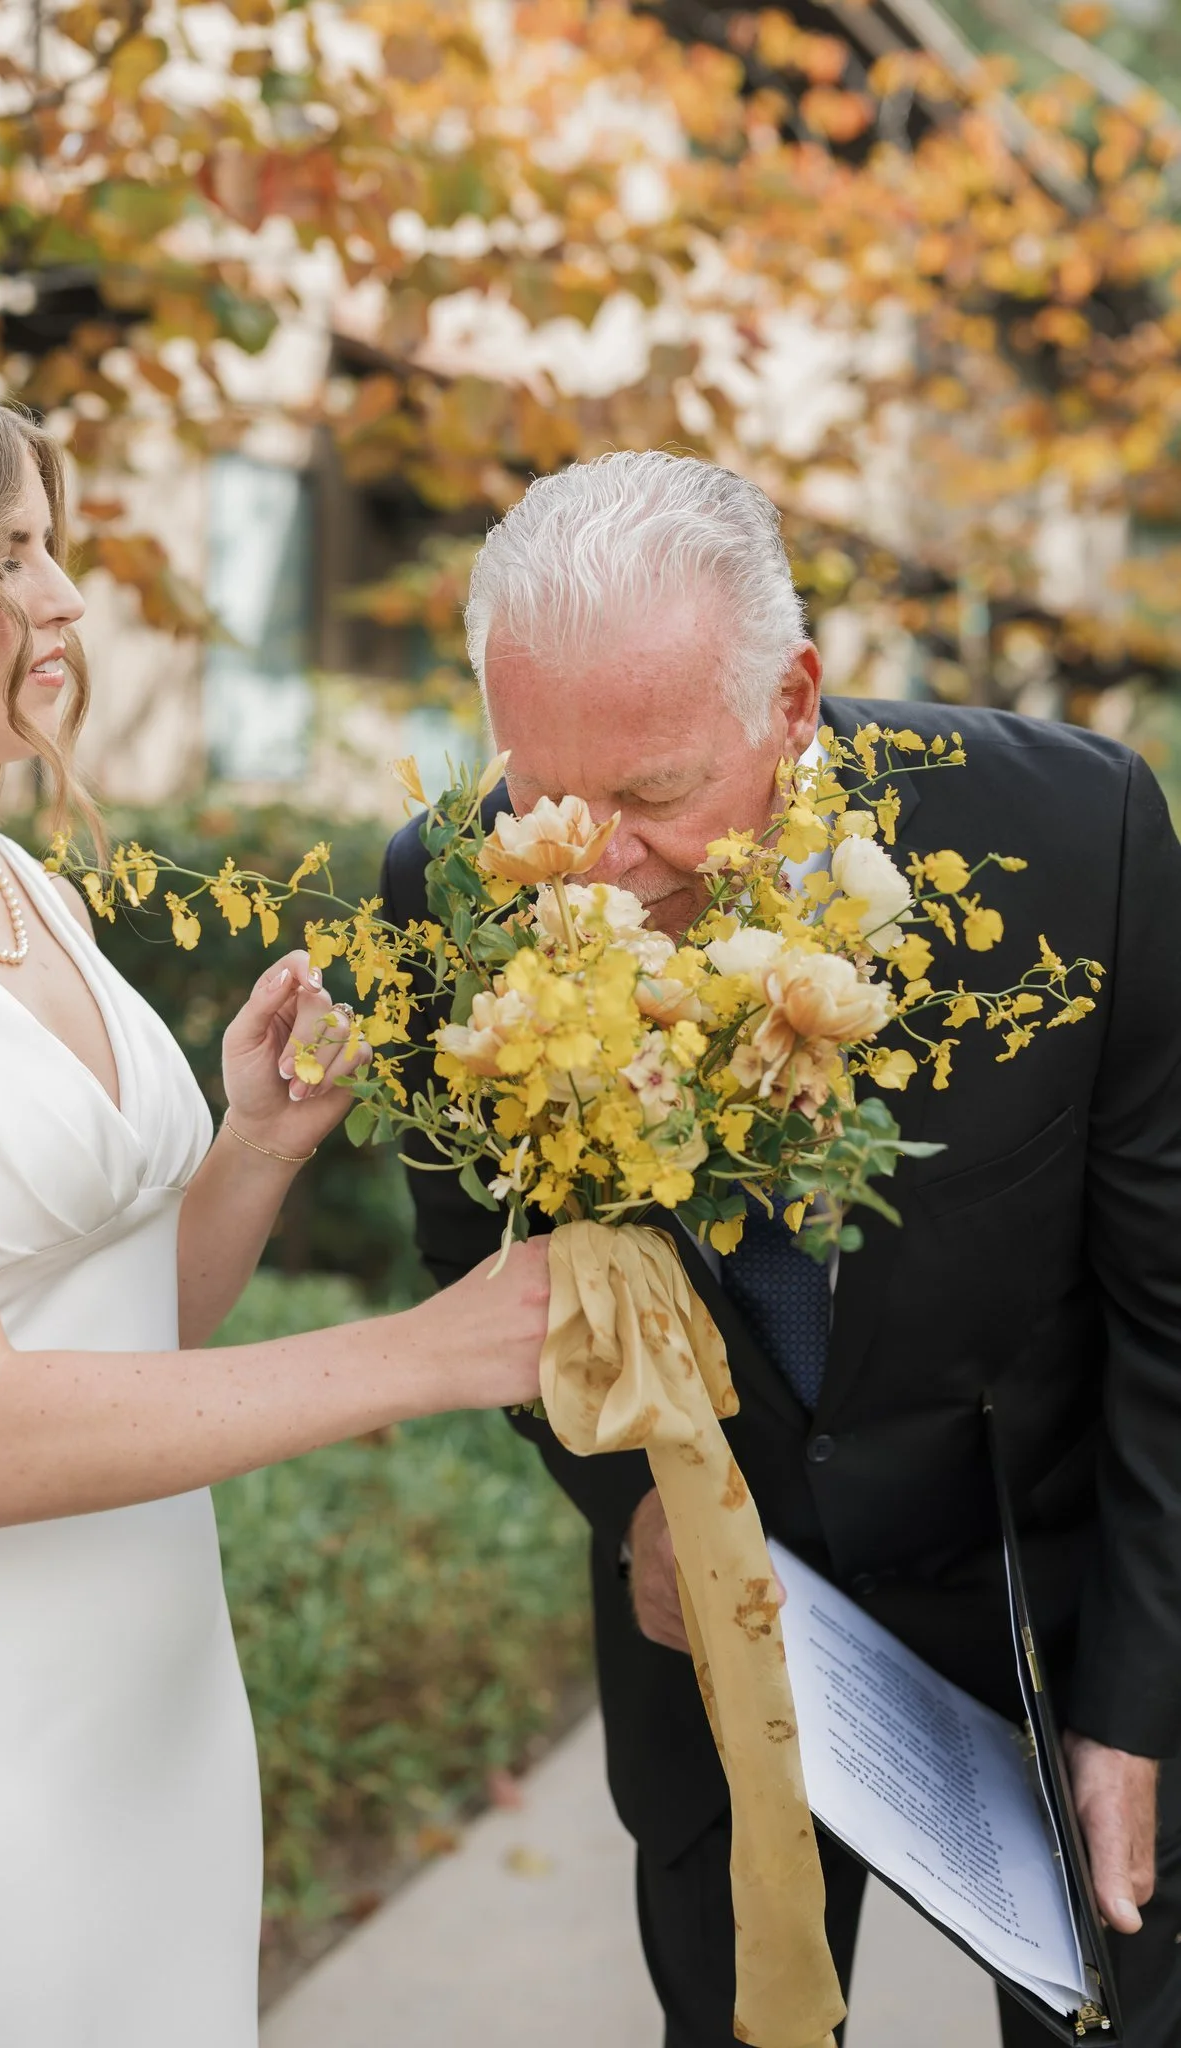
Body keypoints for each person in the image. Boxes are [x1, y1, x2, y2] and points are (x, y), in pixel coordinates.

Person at [0, 359, 549, 2048]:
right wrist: (434, 1351)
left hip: (157, 1719)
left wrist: (249, 1152)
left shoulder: (20, 890)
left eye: (48, 549)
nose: (57, 597)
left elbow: (111, 1336)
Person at [381, 450, 1181, 2047]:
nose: (587, 860)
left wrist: (1136, 1708)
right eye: (543, 791)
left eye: (652, 794)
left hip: (1055, 1602)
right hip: (713, 1631)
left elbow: (1168, 1309)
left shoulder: (1072, 833)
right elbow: (480, 1271)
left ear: (793, 699)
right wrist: (630, 1514)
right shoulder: (443, 891)